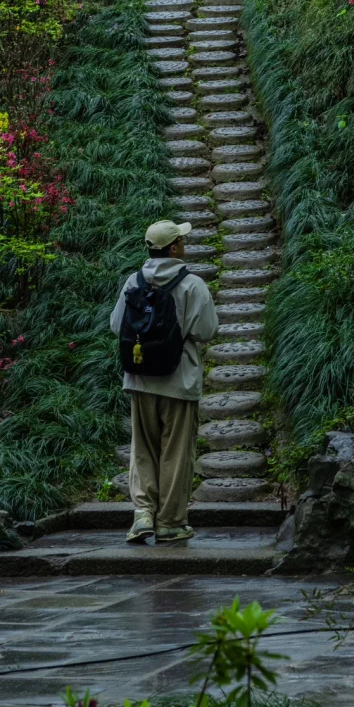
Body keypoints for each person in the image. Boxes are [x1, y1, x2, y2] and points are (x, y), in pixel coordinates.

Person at [109, 218, 219, 544]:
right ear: (173, 248)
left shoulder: (133, 281)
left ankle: (143, 514)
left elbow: (118, 326)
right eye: (181, 240)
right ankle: (170, 522)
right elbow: (207, 330)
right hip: (179, 381)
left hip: (139, 378)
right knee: (176, 452)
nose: (184, 244)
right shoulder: (192, 284)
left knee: (142, 449)